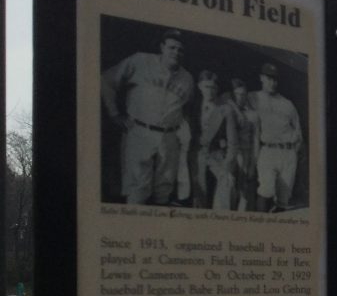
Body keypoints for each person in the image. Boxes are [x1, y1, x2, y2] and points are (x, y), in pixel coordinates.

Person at [100, 29, 195, 205]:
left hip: (170, 137)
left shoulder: (187, 78)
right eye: (171, 47)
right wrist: (114, 114)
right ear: (162, 47)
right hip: (140, 132)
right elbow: (106, 81)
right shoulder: (141, 61)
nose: (176, 52)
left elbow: (186, 110)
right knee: (138, 191)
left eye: (180, 49)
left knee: (163, 191)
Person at [251, 62, 303, 212]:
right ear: (261, 78)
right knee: (266, 190)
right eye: (269, 78)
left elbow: (298, 130)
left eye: (275, 79)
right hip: (267, 150)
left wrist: (295, 151)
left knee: (283, 198)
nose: (272, 82)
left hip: (288, 152)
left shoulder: (287, 103)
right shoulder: (253, 97)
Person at [193, 70, 239, 210]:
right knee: (198, 195)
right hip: (196, 155)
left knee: (227, 183)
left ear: (217, 89)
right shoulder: (192, 106)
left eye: (213, 87)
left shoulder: (225, 110)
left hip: (216, 154)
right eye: (206, 87)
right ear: (199, 86)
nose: (210, 91)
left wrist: (227, 164)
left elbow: (233, 143)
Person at [226, 77, 259, 211]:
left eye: (243, 94)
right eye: (238, 94)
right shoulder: (228, 109)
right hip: (230, 155)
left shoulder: (253, 115)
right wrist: (236, 108)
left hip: (246, 155)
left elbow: (256, 140)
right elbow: (225, 99)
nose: (241, 97)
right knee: (229, 192)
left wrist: (253, 164)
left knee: (244, 194)